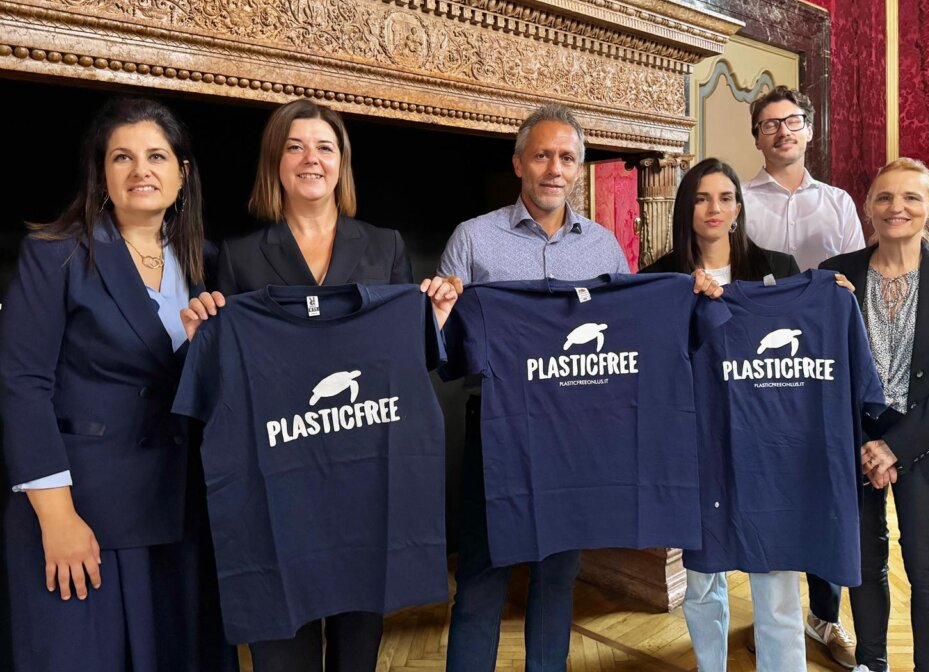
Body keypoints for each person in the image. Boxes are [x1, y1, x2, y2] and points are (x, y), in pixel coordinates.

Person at [182, 97, 456, 672]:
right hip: (282, 491)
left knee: (357, 653)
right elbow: (233, 374)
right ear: (274, 163)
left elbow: (403, 364)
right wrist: (202, 333)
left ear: (342, 164)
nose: (312, 159)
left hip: (364, 488)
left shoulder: (384, 246)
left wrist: (431, 320)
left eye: (325, 147)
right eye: (295, 147)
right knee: (284, 652)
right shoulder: (238, 257)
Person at [0, 97, 235, 672]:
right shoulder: (55, 254)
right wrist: (57, 518)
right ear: (101, 174)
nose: (140, 170)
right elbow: (22, 385)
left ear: (182, 173)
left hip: (184, 513)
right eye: (122, 157)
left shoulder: (209, 263)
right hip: (84, 516)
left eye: (157, 156)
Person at [439, 104, 631, 672]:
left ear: (578, 169)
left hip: (575, 436)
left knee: (557, 578)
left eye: (567, 158)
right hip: (497, 431)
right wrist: (438, 312)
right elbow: (441, 345)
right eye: (543, 155)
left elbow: (627, 333)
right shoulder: (472, 239)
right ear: (519, 163)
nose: (555, 168)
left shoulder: (603, 248)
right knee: (481, 578)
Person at [645, 157, 820, 671]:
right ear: (686, 208)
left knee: (776, 573)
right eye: (701, 198)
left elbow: (806, 337)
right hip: (695, 443)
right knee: (702, 576)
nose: (713, 209)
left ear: (739, 208)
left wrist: (834, 294)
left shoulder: (778, 268)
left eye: (725, 198)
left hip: (768, 442)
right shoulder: (658, 278)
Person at [821, 158, 929, 672]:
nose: (897, 207)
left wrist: (895, 446)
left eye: (911, 197)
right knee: (863, 561)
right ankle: (870, 662)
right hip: (855, 442)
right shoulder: (836, 274)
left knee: (928, 566)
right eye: (884, 197)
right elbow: (824, 369)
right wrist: (863, 441)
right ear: (868, 208)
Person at [742, 85, 864, 667]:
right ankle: (773, 617)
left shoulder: (838, 203)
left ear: (809, 130)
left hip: (821, 361)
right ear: (757, 137)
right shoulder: (738, 199)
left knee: (822, 478)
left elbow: (854, 282)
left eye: (791, 121)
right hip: (758, 365)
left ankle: (825, 617)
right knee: (768, 480)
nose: (782, 131)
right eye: (769, 124)